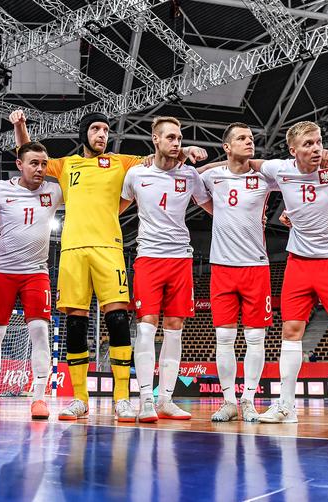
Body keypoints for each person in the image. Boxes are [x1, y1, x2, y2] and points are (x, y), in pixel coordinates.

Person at [14, 110, 207, 421]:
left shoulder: (121, 162)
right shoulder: (67, 165)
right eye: (95, 129)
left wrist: (184, 150)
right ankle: (79, 399)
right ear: (84, 133)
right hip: (73, 249)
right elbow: (28, 156)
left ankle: (122, 399)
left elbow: (159, 156)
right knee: (75, 323)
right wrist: (20, 126)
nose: (102, 134)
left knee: (117, 319)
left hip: (109, 248)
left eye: (105, 129)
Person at [256, 121, 328, 427]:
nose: (316, 148)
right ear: (292, 150)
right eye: (308, 144)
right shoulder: (280, 169)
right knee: (290, 331)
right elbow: (246, 163)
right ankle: (286, 406)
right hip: (298, 263)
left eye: (319, 141)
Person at [119, 116, 212, 422]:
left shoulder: (190, 174)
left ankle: (166, 400)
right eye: (170, 137)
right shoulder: (136, 173)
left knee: (175, 329)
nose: (176, 143)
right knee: (146, 326)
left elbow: (211, 205)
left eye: (179, 138)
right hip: (149, 258)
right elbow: (116, 208)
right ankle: (146, 399)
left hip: (181, 259)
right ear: (155, 139)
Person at [0, 140, 63, 420]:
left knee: (40, 333)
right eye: (34, 163)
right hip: (3, 271)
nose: (40, 169)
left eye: (44, 164)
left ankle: (39, 398)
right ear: (19, 165)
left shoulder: (54, 190)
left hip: (36, 273)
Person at [199, 123, 276, 422]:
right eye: (242, 138)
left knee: (256, 337)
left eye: (251, 138)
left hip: (256, 266)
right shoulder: (213, 177)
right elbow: (193, 177)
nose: (249, 142)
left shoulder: (264, 176)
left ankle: (249, 400)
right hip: (222, 267)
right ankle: (229, 401)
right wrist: (219, 165)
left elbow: (294, 175)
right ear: (227, 147)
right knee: (224, 337)